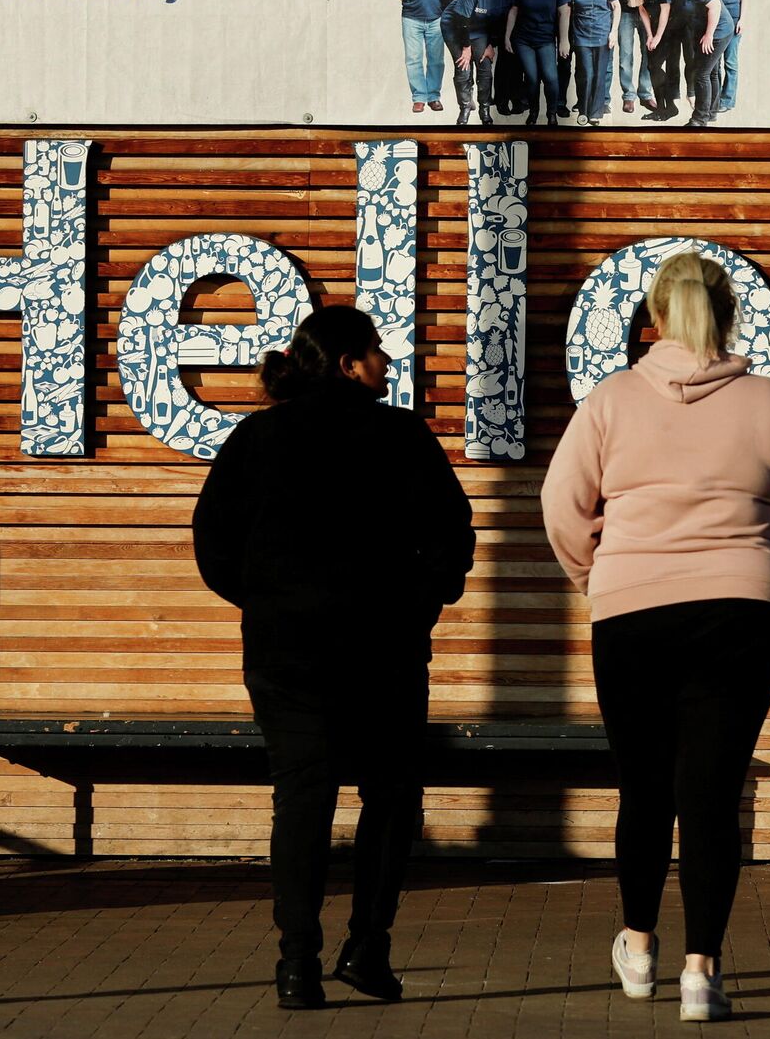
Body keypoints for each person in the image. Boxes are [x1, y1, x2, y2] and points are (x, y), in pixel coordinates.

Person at [541, 252, 770, 1024]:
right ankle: (701, 971)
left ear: (654, 315)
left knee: (643, 786)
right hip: (742, 610)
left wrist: (597, 578)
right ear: (728, 312)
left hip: (631, 612)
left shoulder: (608, 402)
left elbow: (561, 504)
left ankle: (638, 949)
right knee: (711, 792)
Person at [194, 305, 475, 1011]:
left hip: (285, 651)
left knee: (302, 797)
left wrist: (268, 600)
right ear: (349, 361)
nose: (386, 363)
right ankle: (369, 947)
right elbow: (452, 534)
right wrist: (419, 604)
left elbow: (214, 543)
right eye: (376, 352)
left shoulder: (258, 436)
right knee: (390, 792)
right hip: (385, 649)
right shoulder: (400, 435)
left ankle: (296, 964)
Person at [662, 0, 735, 128]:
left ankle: (699, 119)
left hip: (718, 30)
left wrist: (709, 34)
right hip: (703, 30)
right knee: (711, 72)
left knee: (701, 74)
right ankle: (711, 113)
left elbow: (715, 5)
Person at [442, 0, 514, 127]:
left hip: (481, 29)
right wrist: (466, 47)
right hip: (456, 27)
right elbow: (462, 21)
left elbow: (500, 20)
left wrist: (491, 44)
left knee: (485, 67)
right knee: (464, 68)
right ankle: (465, 107)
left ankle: (485, 109)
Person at [505, 0, 570, 126]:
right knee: (532, 78)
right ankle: (533, 113)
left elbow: (564, 11)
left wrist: (564, 40)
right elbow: (514, 10)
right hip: (523, 40)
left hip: (546, 40)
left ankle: (551, 113)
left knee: (550, 77)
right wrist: (507, 36)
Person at [560, 0, 620, 126]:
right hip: (581, 37)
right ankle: (584, 110)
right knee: (586, 73)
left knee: (600, 74)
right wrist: (564, 40)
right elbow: (565, 12)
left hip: (603, 36)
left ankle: (595, 113)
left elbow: (616, 7)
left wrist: (614, 32)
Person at [623, 0, 675, 123]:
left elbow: (666, 10)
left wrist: (658, 36)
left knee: (654, 67)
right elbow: (642, 10)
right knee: (652, 67)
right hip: (653, 27)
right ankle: (663, 109)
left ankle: (668, 107)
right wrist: (650, 35)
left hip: (668, 26)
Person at [704, 0, 754, 114]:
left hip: (733, 19)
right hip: (714, 19)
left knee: (730, 62)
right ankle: (713, 102)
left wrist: (742, 19)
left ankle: (727, 100)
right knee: (714, 63)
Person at [493, 0, 532, 117]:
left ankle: (519, 100)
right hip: (504, 16)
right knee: (505, 62)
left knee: (520, 62)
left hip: (524, 18)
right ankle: (501, 100)